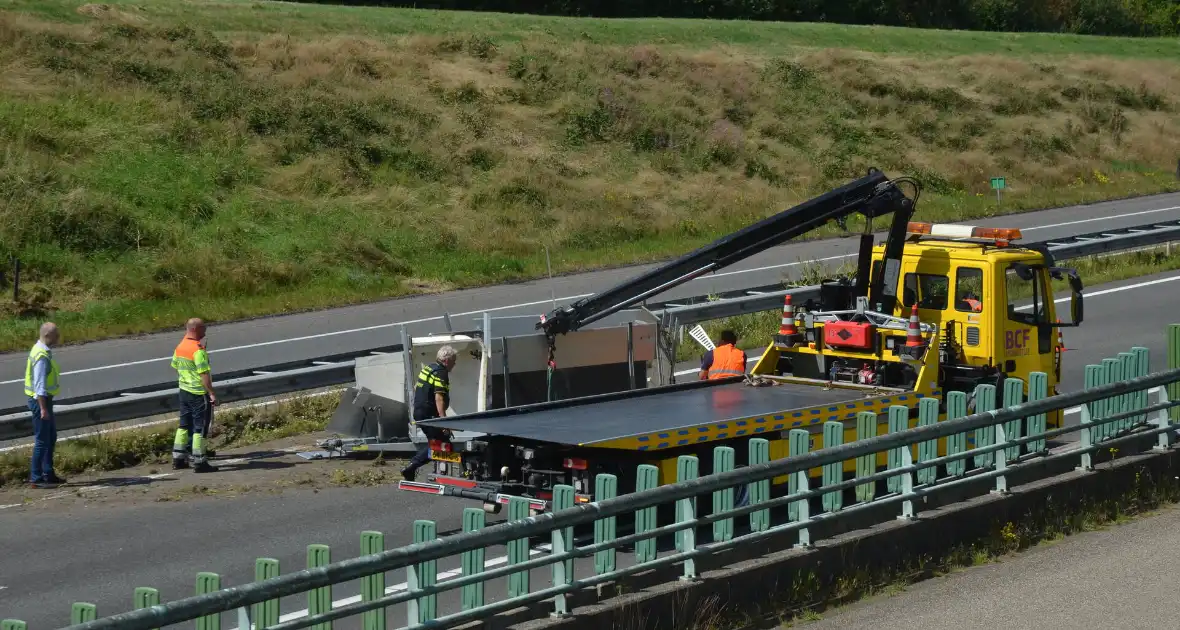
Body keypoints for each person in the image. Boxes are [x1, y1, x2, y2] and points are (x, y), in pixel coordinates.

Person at [401, 346, 458, 481]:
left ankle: (423, 469)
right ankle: (411, 466)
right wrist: (444, 422)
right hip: (429, 415)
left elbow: (416, 388)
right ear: (446, 361)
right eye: (453, 361)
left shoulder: (428, 369)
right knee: (440, 445)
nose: (454, 364)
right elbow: (439, 398)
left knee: (439, 442)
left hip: (419, 411)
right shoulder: (441, 373)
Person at [171, 318, 218, 473]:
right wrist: (211, 393)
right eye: (203, 328)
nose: (205, 331)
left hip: (184, 391)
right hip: (198, 393)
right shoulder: (198, 350)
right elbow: (204, 374)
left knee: (184, 425)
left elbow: (175, 366)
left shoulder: (181, 346)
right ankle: (199, 461)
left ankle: (178, 458)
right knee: (200, 428)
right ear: (196, 329)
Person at [25, 322, 65, 488]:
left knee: (51, 437)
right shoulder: (41, 355)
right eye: (56, 335)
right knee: (42, 440)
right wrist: (42, 409)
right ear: (48, 336)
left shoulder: (41, 350)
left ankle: (48, 473)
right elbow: (39, 386)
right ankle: (36, 478)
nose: (59, 338)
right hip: (40, 401)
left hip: (44, 400)